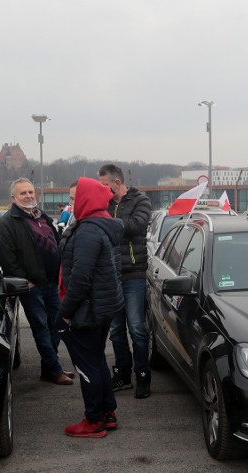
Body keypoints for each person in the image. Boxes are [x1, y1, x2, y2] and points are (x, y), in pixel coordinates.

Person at [60, 177, 124, 438]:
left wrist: (65, 312)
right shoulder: (101, 225)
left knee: (87, 366)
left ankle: (94, 420)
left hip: (86, 310)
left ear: (86, 200)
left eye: (74, 199)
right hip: (101, 307)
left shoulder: (88, 230)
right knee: (97, 360)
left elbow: (81, 278)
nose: (70, 204)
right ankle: (108, 412)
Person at [0, 177, 74, 385]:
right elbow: (6, 257)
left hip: (52, 283)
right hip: (32, 287)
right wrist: (23, 280)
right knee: (41, 328)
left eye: (31, 192)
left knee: (57, 324)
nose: (29, 196)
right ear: (14, 198)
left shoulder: (43, 217)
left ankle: (50, 367)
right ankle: (54, 370)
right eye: (23, 193)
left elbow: (56, 244)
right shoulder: (7, 223)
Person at [98, 163, 153, 398]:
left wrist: (107, 224)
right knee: (116, 330)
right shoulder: (105, 203)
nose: (103, 190)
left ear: (117, 182)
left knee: (137, 328)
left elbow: (136, 226)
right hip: (111, 276)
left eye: (105, 185)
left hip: (134, 275)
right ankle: (122, 373)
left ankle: (143, 376)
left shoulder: (141, 200)